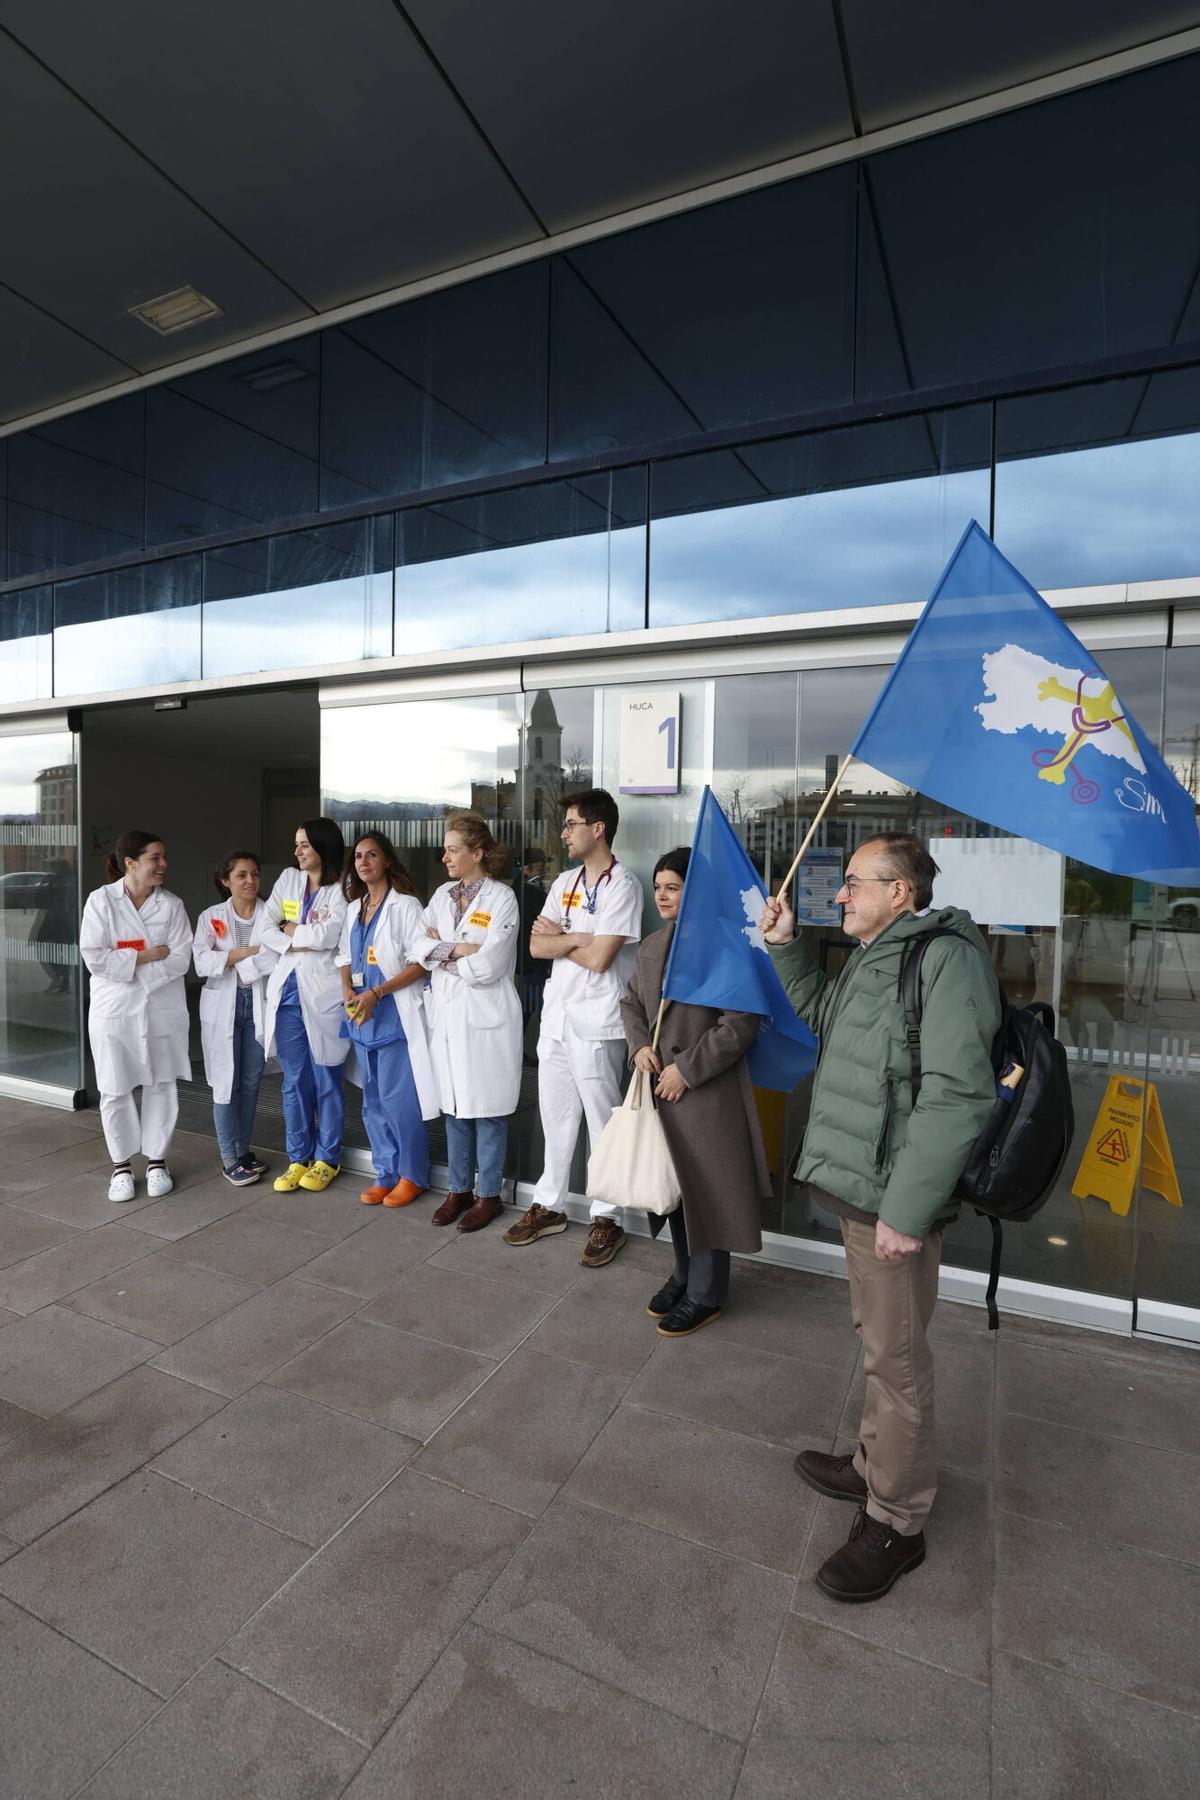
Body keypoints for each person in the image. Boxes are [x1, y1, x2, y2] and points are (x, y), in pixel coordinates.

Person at [760, 832, 1000, 1604]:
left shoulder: (943, 959)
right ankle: (872, 1466)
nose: (840, 893)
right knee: (878, 1343)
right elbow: (826, 1022)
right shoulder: (878, 952)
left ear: (901, 891)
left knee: (897, 1365)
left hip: (891, 1197)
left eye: (855, 882)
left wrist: (907, 1209)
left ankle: (897, 1520)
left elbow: (959, 1093)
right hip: (861, 1184)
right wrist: (787, 947)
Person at [620, 847, 769, 1334]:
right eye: (658, 887)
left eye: (673, 887)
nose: (661, 895)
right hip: (660, 1092)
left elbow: (741, 1023)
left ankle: (707, 1293)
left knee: (708, 1194)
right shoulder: (652, 945)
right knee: (673, 1189)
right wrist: (640, 1046)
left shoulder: (723, 946)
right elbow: (630, 1003)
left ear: (696, 892)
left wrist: (686, 1069)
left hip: (704, 1094)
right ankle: (683, 1275)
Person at [506, 789, 642, 1268]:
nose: (563, 834)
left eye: (570, 824)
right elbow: (534, 946)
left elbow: (602, 959)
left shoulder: (624, 885)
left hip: (598, 1022)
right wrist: (578, 938)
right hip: (558, 1020)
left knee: (602, 1124)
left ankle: (608, 1217)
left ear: (597, 828)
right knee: (556, 1118)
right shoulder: (564, 881)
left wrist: (562, 939)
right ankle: (550, 1205)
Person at [418, 814, 522, 1233]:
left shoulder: (502, 899)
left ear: (477, 853)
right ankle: (459, 1189)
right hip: (449, 1015)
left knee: (489, 1110)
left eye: (452, 850)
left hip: (486, 1015)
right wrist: (461, 949)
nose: (444, 857)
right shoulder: (441, 896)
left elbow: (491, 964)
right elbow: (417, 946)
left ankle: (489, 1195)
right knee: (455, 1107)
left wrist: (443, 953)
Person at [80, 830, 192, 1203]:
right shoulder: (101, 901)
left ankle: (157, 1161)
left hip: (161, 1009)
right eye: (155, 858)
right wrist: (147, 955)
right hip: (114, 1010)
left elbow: (181, 957)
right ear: (130, 863)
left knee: (162, 1083)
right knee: (114, 1087)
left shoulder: (172, 905)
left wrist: (131, 964)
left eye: (164, 857)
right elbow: (94, 957)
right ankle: (121, 1166)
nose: (163, 864)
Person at [337, 832, 440, 1207]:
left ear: (387, 861)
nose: (363, 862)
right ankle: (385, 1173)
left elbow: (420, 963)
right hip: (362, 1016)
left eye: (372, 855)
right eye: (358, 856)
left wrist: (377, 993)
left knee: (399, 1102)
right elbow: (344, 957)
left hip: (394, 1015)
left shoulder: (406, 906)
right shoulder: (354, 908)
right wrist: (347, 989)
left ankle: (412, 1175)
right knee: (373, 1102)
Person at [261, 818, 350, 1194]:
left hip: (324, 993)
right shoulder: (288, 879)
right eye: (296, 844)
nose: (297, 851)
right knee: (294, 1080)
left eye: (305, 845)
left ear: (323, 847)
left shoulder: (344, 887)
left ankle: (327, 1158)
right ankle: (298, 1158)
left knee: (327, 1077)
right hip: (288, 995)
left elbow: (328, 936)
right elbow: (264, 927)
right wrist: (296, 935)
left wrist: (288, 927)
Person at [193, 851, 278, 1187]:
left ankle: (243, 1151)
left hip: (257, 1004)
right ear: (225, 880)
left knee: (251, 1082)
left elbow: (276, 956)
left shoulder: (271, 914)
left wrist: (228, 958)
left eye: (255, 874)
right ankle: (230, 1159)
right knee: (226, 1083)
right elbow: (201, 962)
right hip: (223, 1005)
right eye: (242, 875)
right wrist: (247, 952)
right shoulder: (211, 916)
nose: (250, 881)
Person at [516, 846, 549, 1025]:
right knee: (533, 1007)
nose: (544, 872)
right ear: (527, 869)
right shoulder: (531, 893)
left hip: (527, 960)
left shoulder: (520, 889)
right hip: (531, 960)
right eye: (540, 868)